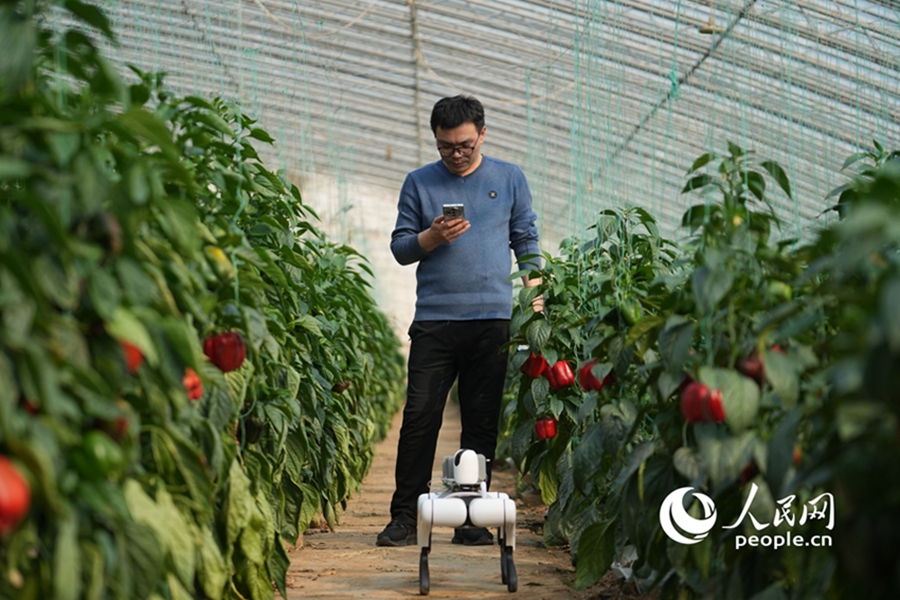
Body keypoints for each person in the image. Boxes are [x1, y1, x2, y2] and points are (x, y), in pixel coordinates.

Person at [377, 95, 541, 547]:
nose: (456, 154)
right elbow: (401, 248)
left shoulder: (509, 178)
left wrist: (536, 291)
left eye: (465, 144)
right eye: (446, 146)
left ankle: (472, 516)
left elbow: (525, 238)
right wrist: (431, 236)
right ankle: (405, 517)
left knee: (481, 421)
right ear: (436, 141)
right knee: (420, 418)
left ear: (482, 134)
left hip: (492, 319)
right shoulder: (419, 183)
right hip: (435, 320)